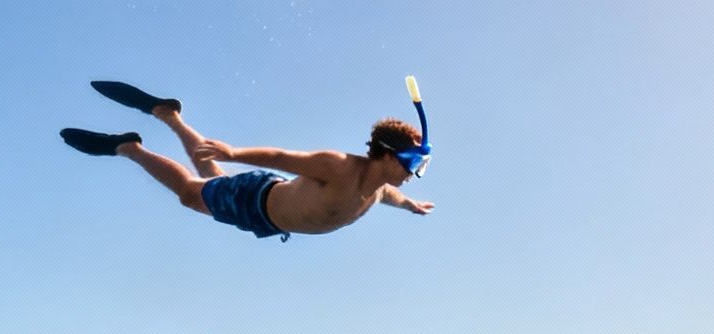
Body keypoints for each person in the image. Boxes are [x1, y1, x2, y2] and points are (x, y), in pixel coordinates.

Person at [59, 80, 434, 241]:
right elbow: (283, 157)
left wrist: (411, 205)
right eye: (410, 164)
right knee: (192, 193)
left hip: (264, 215)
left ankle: (168, 115)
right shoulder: (341, 167)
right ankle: (129, 147)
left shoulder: (379, 188)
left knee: (209, 173)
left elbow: (392, 197)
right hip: (256, 199)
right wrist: (234, 152)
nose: (412, 174)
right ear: (386, 154)